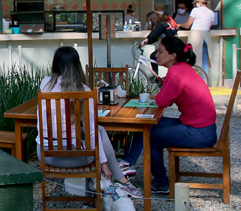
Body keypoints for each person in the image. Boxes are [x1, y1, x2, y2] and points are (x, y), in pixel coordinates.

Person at [37, 46, 141, 198]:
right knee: (95, 136)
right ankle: (117, 182)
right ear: (77, 65)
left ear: (55, 64)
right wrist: (104, 164)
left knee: (98, 131)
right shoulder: (84, 91)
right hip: (75, 158)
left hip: (45, 155)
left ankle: (116, 182)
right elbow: (91, 133)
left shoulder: (45, 83)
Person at [119, 36, 217, 194]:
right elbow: (166, 100)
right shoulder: (183, 68)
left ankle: (161, 183)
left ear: (173, 56)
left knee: (150, 137)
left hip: (199, 132)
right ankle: (127, 162)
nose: (156, 55)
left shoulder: (175, 72)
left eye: (160, 51)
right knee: (147, 126)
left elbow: (162, 101)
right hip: (202, 128)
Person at [179, 0, 216, 75]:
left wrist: (179, 25)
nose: (196, 4)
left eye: (196, 2)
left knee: (195, 59)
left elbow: (188, 25)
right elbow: (210, 26)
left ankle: (195, 78)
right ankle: (204, 79)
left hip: (196, 36)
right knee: (205, 59)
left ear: (199, 2)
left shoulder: (195, 10)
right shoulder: (211, 12)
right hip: (206, 36)